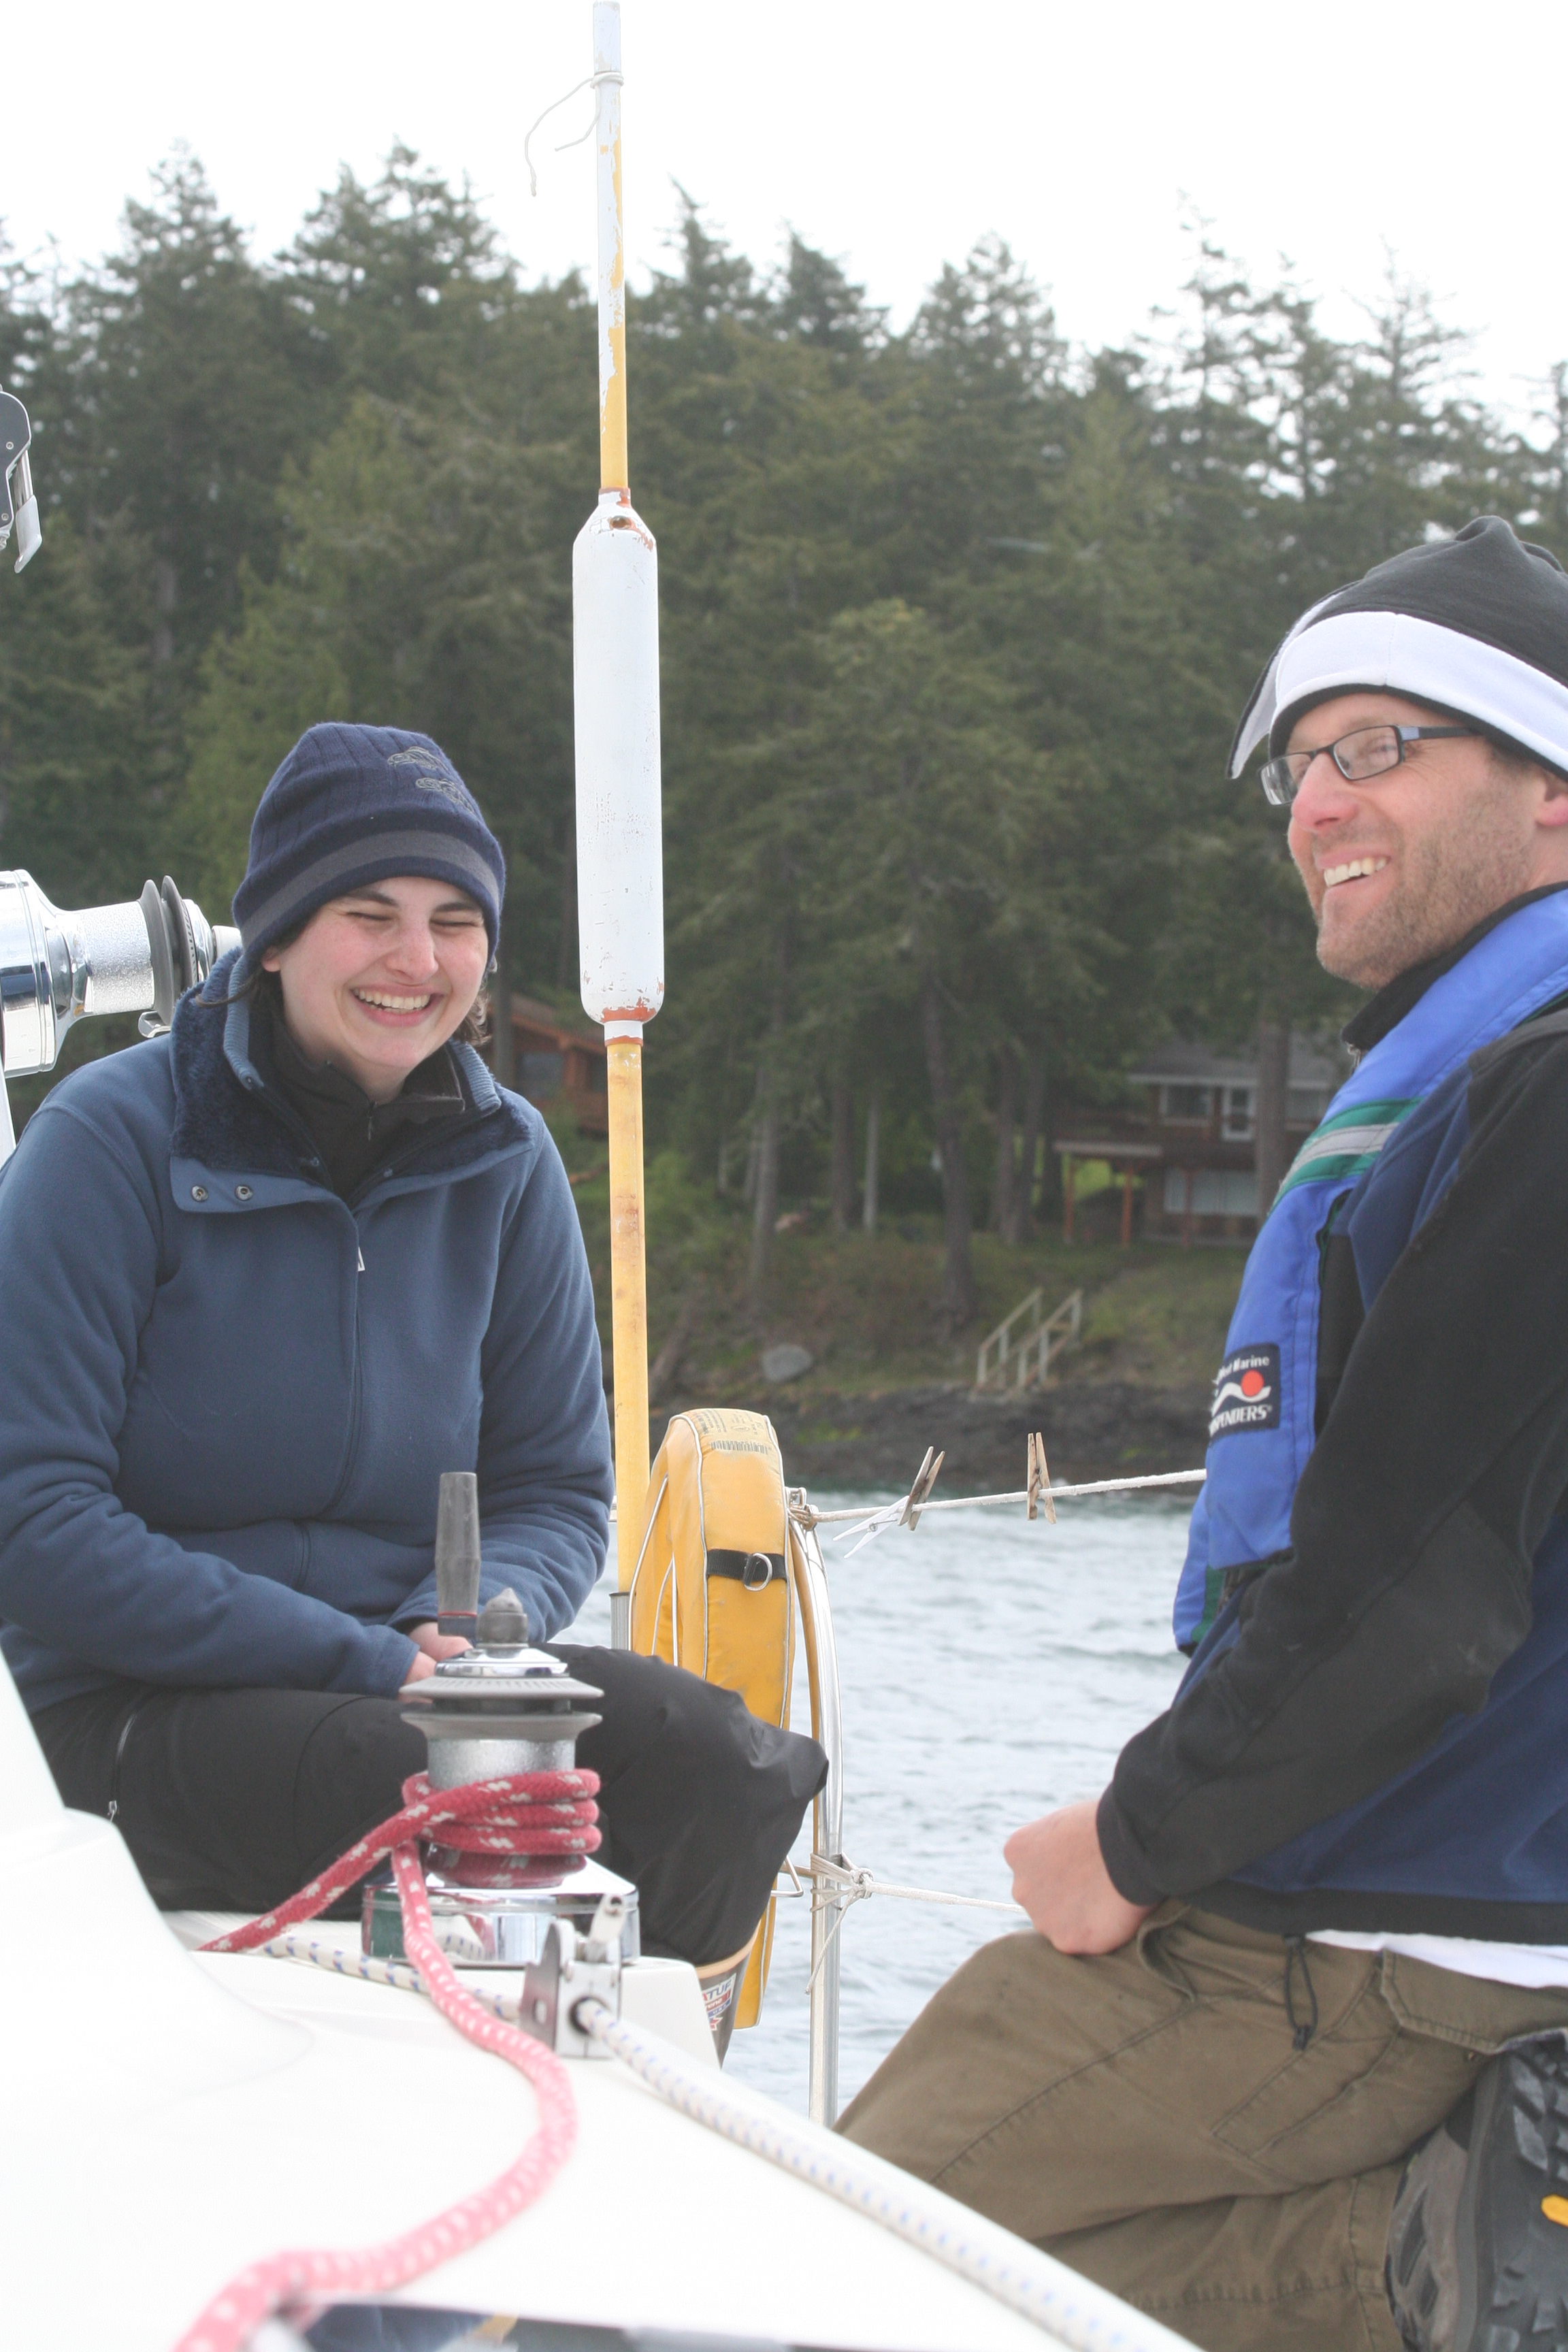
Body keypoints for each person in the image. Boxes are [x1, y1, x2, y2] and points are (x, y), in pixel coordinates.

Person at [838, 517, 1568, 2352]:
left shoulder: (1541, 1093)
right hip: (1473, 1882)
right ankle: (1433, 2253)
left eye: (1378, 747)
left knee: (819, 2251)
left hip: (1388, 1911)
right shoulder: (1493, 1071)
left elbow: (1413, 1586)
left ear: (1553, 790)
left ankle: (1453, 2263)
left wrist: (1140, 1839)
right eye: (1298, 768)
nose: (1317, 806)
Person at [0, 721, 823, 1978]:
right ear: (277, 934)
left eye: (455, 921)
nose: (417, 960)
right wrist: (363, 1659)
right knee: (439, 1786)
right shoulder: (109, 1143)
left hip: (408, 1672)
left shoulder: (508, 1162)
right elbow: (32, 1522)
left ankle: (614, 2048)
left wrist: (465, 1635)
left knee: (718, 1759)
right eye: (369, 914)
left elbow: (555, 1491)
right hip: (115, 1707)